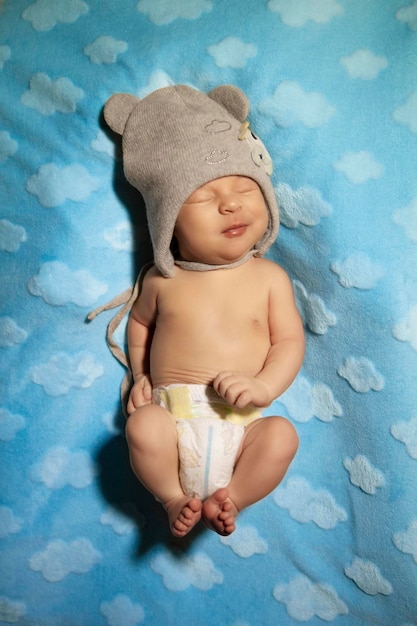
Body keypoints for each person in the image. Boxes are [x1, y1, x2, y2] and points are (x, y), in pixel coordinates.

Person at [102, 85, 305, 537]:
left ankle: (231, 499)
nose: (230, 203)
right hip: (172, 419)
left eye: (243, 188)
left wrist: (263, 385)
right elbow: (139, 325)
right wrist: (140, 377)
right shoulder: (162, 279)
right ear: (168, 221)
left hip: (243, 423)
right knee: (143, 427)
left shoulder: (268, 278)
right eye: (202, 197)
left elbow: (289, 342)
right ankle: (173, 497)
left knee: (283, 437)